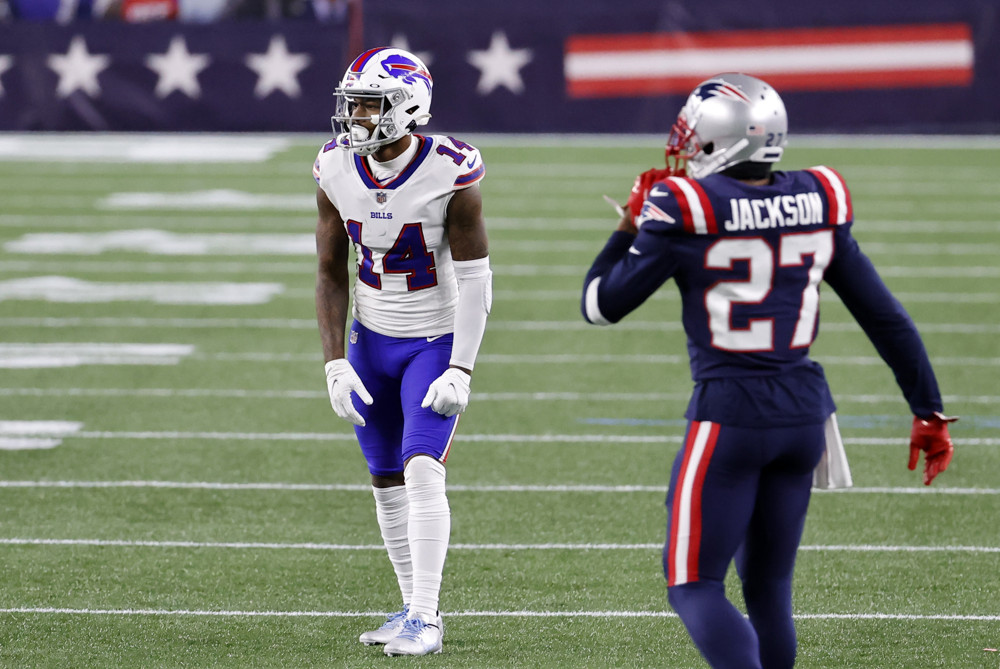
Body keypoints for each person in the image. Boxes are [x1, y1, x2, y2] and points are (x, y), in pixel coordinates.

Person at [581, 73, 956, 669]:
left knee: (693, 584)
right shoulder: (819, 199)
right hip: (806, 416)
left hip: (730, 414)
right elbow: (887, 319)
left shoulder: (686, 207)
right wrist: (928, 410)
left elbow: (600, 306)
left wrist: (629, 223)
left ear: (721, 139)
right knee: (768, 590)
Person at [313, 47, 491, 657]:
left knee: (421, 468)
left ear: (407, 107)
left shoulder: (450, 169)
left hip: (432, 340)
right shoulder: (334, 167)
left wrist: (462, 368)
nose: (355, 114)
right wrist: (335, 360)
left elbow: (475, 279)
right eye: (352, 101)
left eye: (368, 102)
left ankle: (427, 616)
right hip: (372, 339)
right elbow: (330, 272)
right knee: (385, 477)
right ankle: (409, 607)